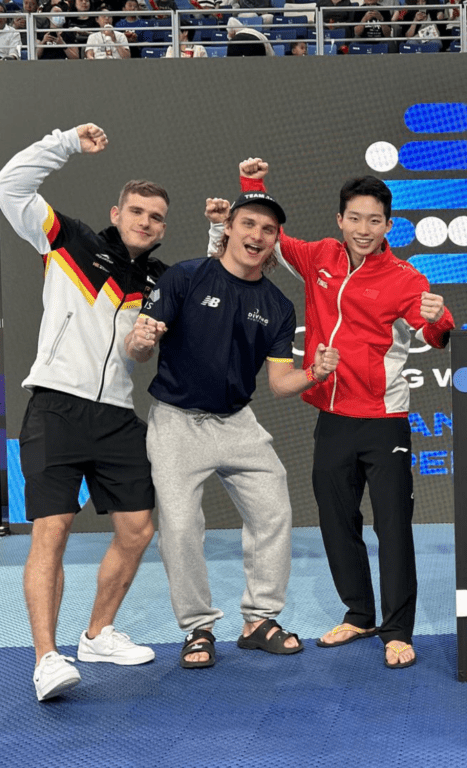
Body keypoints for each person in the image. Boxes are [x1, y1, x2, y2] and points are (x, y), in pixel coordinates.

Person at [236, 159, 454, 670]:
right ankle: (359, 614)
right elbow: (273, 238)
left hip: (384, 420)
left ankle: (398, 630)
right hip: (331, 417)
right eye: (355, 219)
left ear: (388, 226)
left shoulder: (404, 277)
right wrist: (252, 186)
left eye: (374, 221)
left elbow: (435, 335)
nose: (363, 229)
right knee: (337, 522)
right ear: (340, 220)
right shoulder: (319, 258)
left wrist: (438, 319)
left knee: (394, 527)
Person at [0, 124, 168, 701]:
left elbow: (217, 283)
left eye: (156, 216)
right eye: (136, 211)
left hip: (117, 415)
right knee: (53, 530)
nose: (145, 221)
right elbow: (9, 185)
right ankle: (46, 658)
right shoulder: (68, 241)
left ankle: (97, 633)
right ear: (116, 213)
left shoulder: (159, 282)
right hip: (56, 407)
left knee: (139, 529)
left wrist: (219, 229)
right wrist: (64, 143)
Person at [125, 192, 334, 669]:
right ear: (230, 229)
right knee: (179, 527)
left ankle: (259, 620)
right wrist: (139, 341)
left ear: (276, 240)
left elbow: (281, 384)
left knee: (274, 509)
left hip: (238, 423)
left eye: (267, 230)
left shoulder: (278, 306)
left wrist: (315, 373)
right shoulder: (185, 276)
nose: (257, 236)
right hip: (177, 421)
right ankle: (198, 628)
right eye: (249, 225)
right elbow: (142, 346)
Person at [0, 0, 21, 68]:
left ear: (5, 16)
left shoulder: (14, 32)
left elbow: (14, 55)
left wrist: (1, 63)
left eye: (0, 13)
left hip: (6, 68)